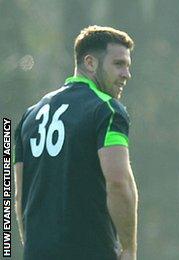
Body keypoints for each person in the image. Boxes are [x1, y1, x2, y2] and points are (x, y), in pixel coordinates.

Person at [14, 25, 138, 260]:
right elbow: (119, 182)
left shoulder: (28, 116)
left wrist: (33, 245)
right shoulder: (107, 109)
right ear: (90, 63)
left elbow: (19, 194)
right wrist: (129, 249)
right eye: (119, 64)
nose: (126, 74)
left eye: (128, 66)